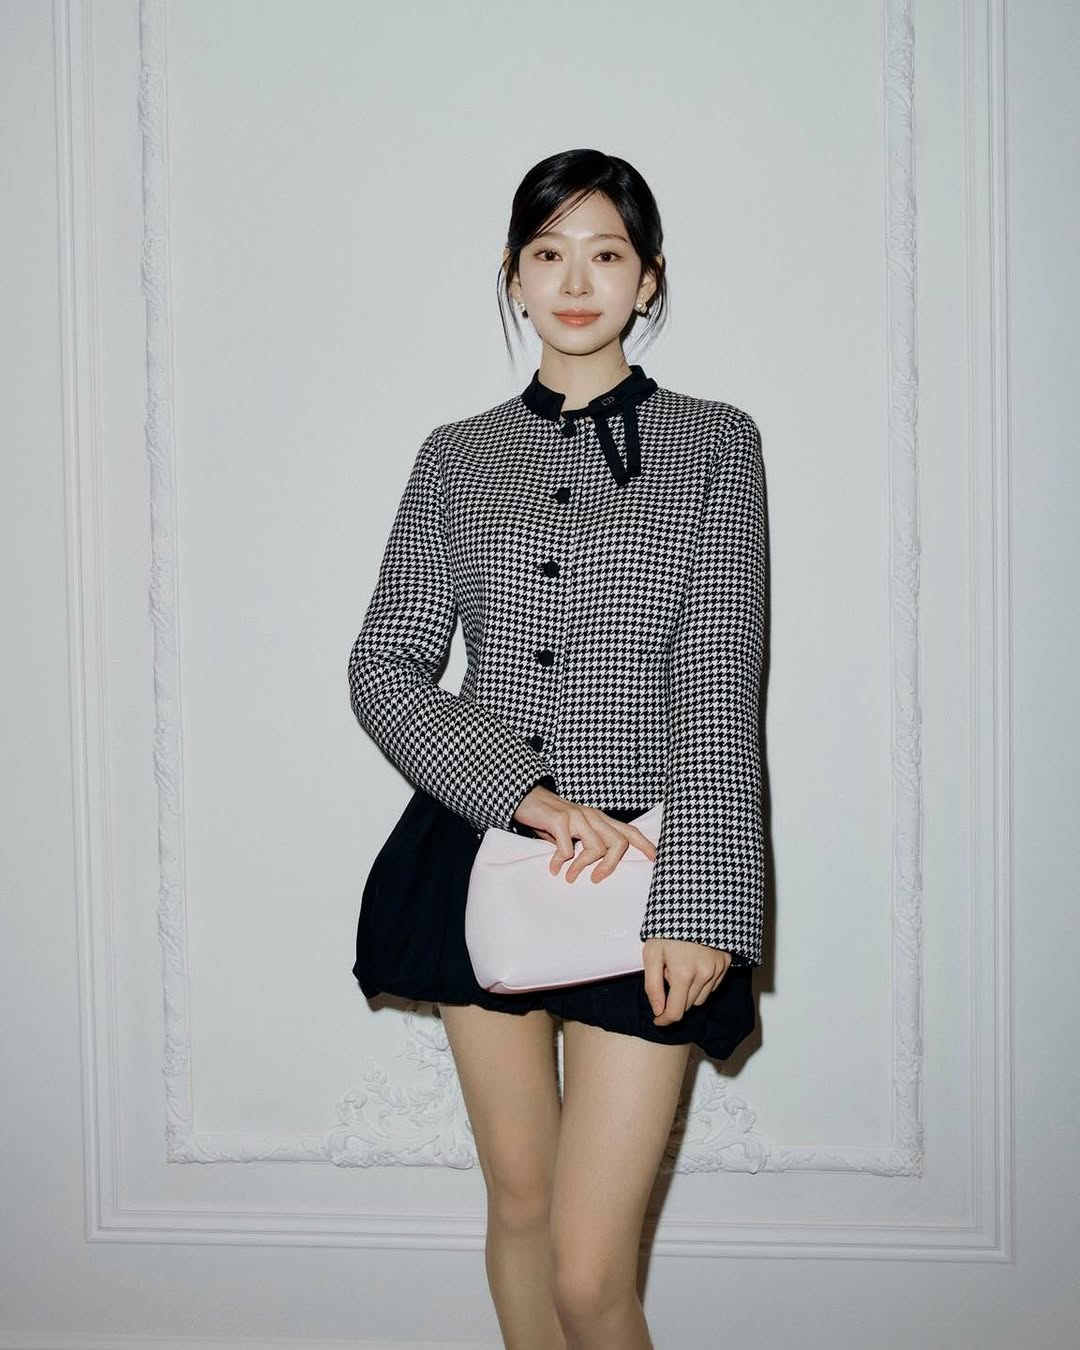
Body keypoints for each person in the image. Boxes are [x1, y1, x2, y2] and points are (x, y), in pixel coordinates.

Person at [347, 148, 767, 1349]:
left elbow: (719, 684)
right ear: (514, 274)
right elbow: (384, 666)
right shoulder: (455, 454)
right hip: (484, 851)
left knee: (591, 1276)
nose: (576, 282)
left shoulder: (715, 444)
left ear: (648, 278)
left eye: (606, 254)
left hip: (654, 869)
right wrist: (524, 795)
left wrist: (703, 903)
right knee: (522, 1210)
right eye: (549, 254)